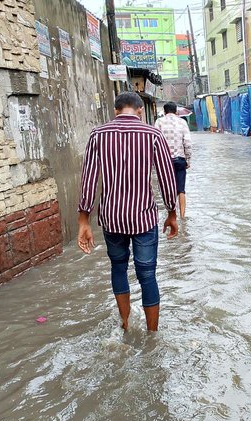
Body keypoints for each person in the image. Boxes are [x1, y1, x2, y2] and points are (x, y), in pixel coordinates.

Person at [77, 92, 178, 332]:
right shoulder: (153, 134)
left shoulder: (97, 135)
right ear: (140, 110)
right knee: (147, 275)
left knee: (118, 269)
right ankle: (152, 333)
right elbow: (166, 178)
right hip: (143, 218)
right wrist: (171, 213)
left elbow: (89, 179)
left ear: (116, 110)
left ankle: (125, 324)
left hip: (112, 219)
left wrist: (84, 220)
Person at [155, 102, 192, 218]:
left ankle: (171, 215)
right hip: (180, 159)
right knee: (181, 189)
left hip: (164, 161)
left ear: (165, 112)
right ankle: (182, 216)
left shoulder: (159, 122)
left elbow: (155, 141)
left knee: (167, 187)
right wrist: (188, 160)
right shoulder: (182, 122)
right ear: (176, 112)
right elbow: (187, 142)